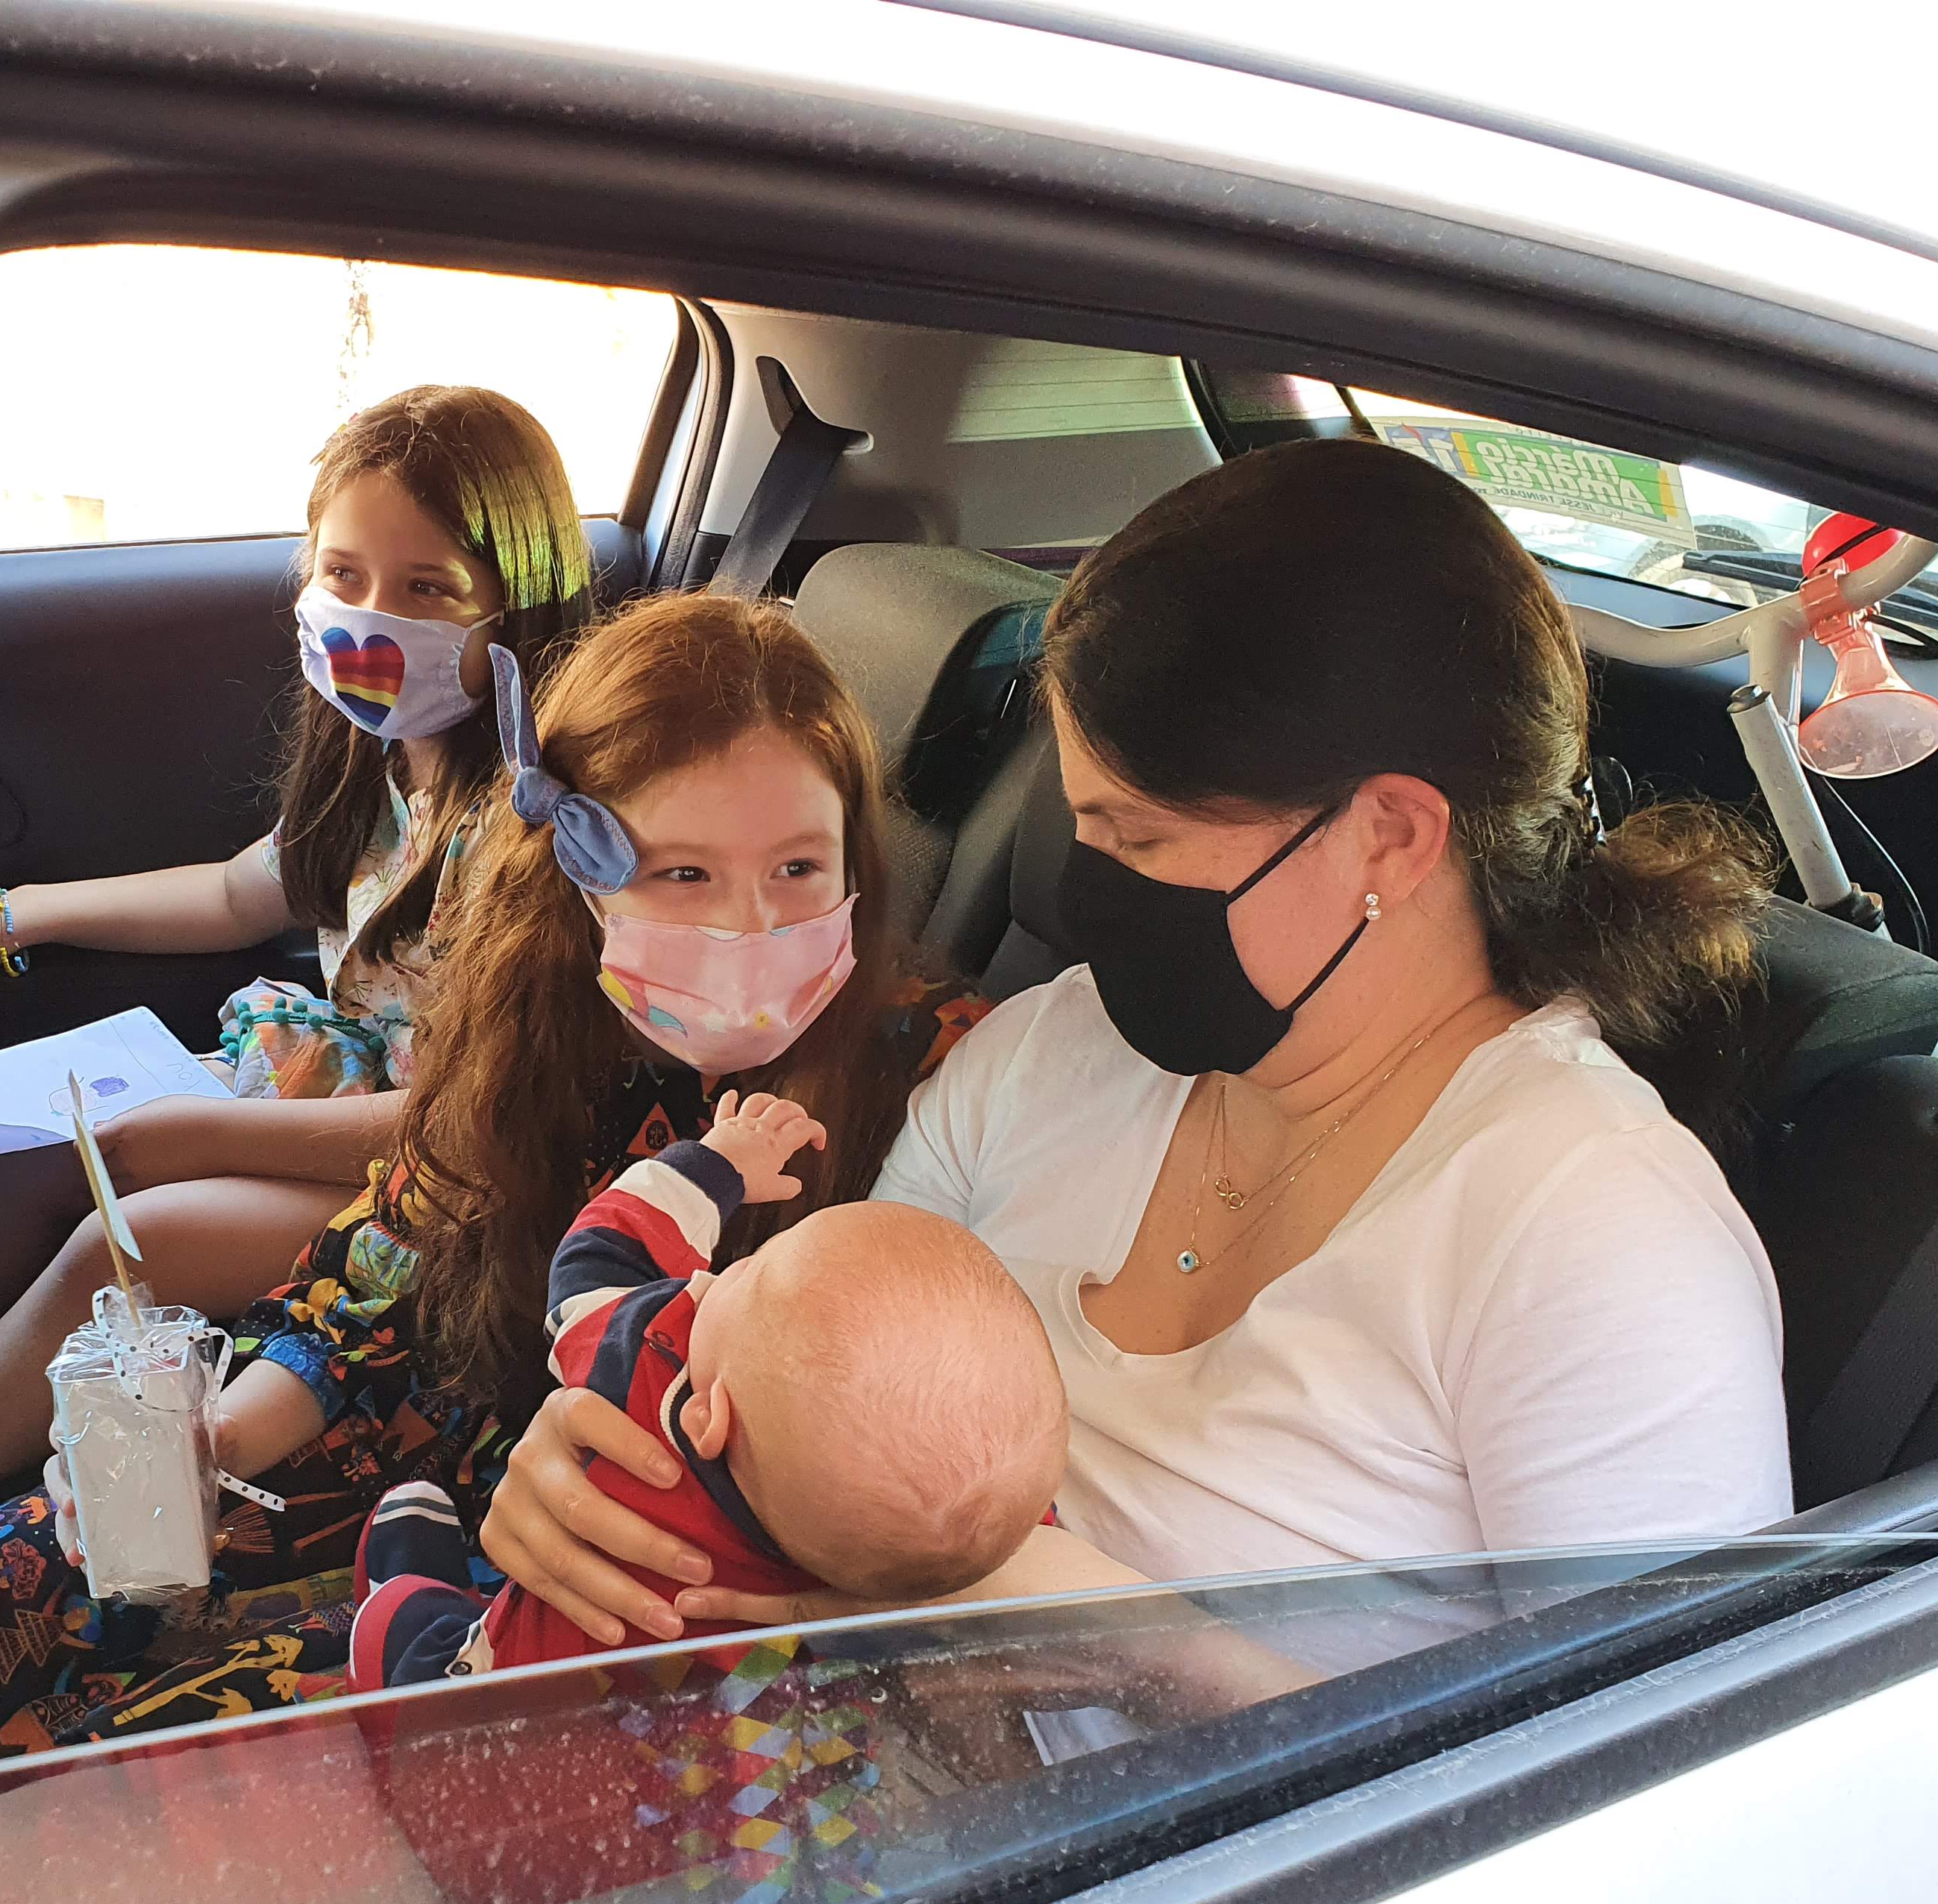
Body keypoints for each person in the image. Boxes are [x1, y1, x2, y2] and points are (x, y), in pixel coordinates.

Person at [477, 436, 1796, 1658]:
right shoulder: (1043, 1055)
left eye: (1140, 837)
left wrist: (1142, 1640)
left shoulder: (1595, 1233)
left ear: (1390, 836)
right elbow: (786, 1410)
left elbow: (1666, 1787)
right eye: (1085, 824)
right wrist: (605, 1463)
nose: (1090, 885)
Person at [0, 588, 991, 1759]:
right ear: (578, 874)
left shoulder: (940, 1076)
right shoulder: (541, 1016)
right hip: (437, 1445)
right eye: (683, 875)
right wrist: (221, 1437)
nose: (747, 928)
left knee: (134, 1769)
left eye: (798, 867)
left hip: (648, 1573)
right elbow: (381, 1269)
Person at [0, 386, 594, 1551]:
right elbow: (236, 893)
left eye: (427, 590)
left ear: (522, 606)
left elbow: (473, 1126)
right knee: (20, 1157)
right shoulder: (384, 760)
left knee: (126, 1240)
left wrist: (191, 1133)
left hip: (439, 1186)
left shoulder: (532, 826)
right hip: (344, 1105)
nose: (369, 619)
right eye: (343, 573)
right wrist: (9, 915)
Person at [348, 1089, 1067, 1691]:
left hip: (501, 1711)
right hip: (700, 1765)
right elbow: (975, 1497)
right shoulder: (905, 1543)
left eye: (750, 1270)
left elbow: (601, 1253)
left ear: (707, 1417)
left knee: (400, 1622)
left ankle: (402, 1597)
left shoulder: (642, 1375)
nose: (713, 1274)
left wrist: (714, 1167)